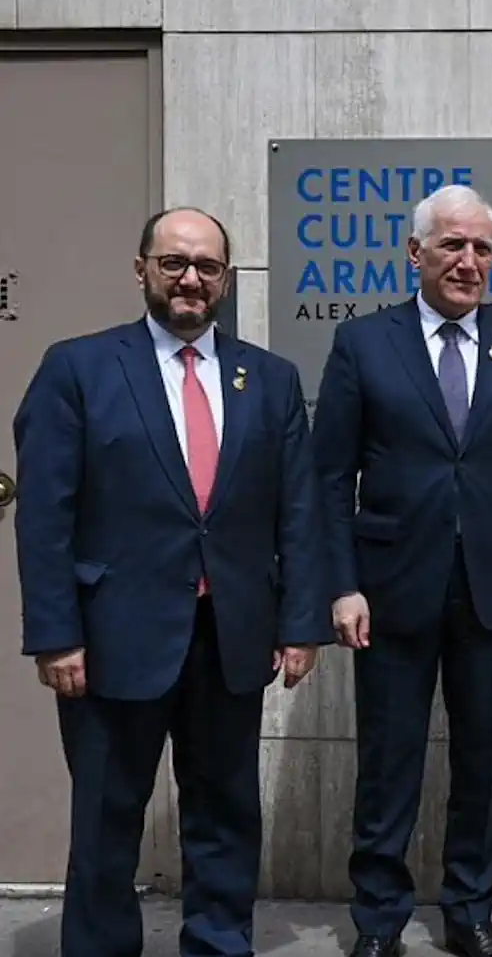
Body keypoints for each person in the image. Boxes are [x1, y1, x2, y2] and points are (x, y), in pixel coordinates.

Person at [12, 207, 329, 957]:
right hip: (111, 639)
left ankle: (219, 943)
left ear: (226, 280)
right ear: (142, 270)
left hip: (231, 635)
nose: (191, 279)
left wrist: (300, 623)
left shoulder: (270, 379)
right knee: (106, 816)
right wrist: (55, 634)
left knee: (225, 813)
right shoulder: (78, 369)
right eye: (174, 263)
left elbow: (298, 510)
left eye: (207, 267)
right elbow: (47, 516)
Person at [312, 183, 492, 957]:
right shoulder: (364, 343)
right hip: (390, 589)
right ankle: (378, 922)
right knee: (387, 761)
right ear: (415, 252)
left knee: (484, 763)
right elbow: (331, 476)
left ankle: (469, 911)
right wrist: (342, 583)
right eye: (453, 245)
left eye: (482, 248)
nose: (468, 261)